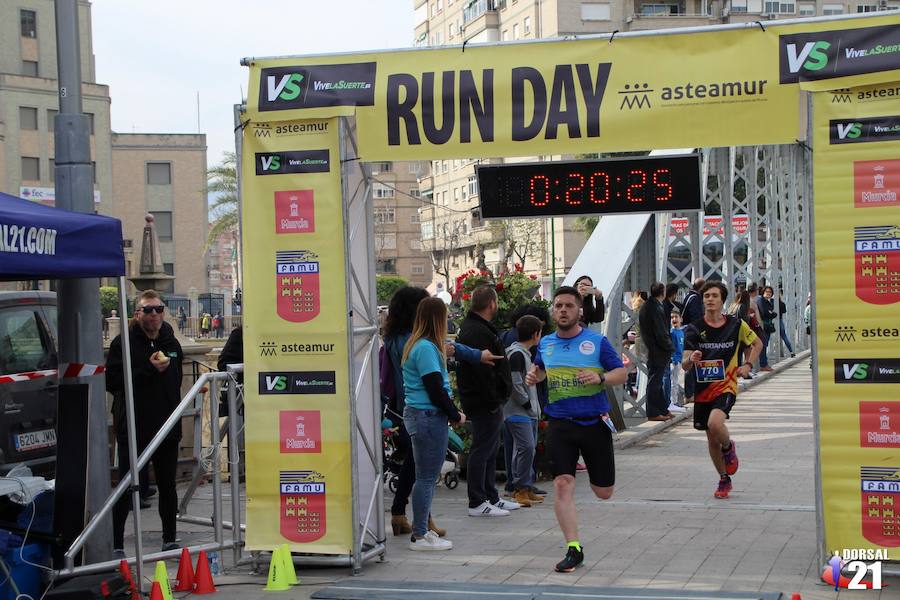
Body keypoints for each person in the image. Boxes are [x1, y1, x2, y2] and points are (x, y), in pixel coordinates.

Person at [383, 287, 501, 536]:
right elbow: (434, 381)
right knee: (421, 470)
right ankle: (419, 523)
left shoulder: (401, 337)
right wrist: (453, 412)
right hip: (420, 408)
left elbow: (448, 347)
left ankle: (404, 514)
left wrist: (476, 355)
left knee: (415, 466)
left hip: (409, 407)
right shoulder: (417, 343)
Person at [525, 286, 627, 573]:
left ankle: (597, 488)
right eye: (558, 306)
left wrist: (600, 376)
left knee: (603, 491)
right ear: (552, 310)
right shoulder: (545, 344)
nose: (563, 310)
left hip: (594, 423)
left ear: (580, 310)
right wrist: (535, 375)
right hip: (560, 423)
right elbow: (540, 369)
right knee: (562, 483)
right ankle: (574, 547)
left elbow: (621, 373)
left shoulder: (596, 342)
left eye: (569, 306)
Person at [106, 290, 184, 558]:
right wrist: (149, 370)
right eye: (148, 310)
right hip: (135, 424)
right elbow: (113, 382)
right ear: (137, 314)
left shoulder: (171, 341)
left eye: (159, 309)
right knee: (127, 485)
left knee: (167, 484)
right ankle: (116, 543)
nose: (154, 315)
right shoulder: (123, 343)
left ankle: (170, 538)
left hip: (167, 423)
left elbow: (177, 376)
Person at [681, 281, 763, 500]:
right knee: (711, 439)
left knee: (715, 423)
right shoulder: (694, 328)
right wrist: (692, 358)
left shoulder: (736, 325)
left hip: (726, 385)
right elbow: (684, 364)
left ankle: (729, 447)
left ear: (722, 300)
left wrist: (747, 365)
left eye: (714, 295)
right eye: (706, 295)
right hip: (702, 388)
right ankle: (724, 478)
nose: (709, 299)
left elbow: (757, 344)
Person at [401, 297, 466, 551]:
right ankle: (420, 534)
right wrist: (454, 414)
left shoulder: (415, 345)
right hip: (428, 416)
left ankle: (421, 531)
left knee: (424, 477)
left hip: (422, 415)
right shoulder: (426, 348)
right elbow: (435, 388)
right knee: (427, 478)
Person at [457, 285, 519, 517]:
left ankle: (490, 496)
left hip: (488, 399)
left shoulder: (478, 328)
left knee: (490, 448)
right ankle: (477, 500)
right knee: (482, 449)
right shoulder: (476, 331)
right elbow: (479, 372)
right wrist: (493, 399)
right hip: (484, 401)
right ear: (492, 303)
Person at [503, 315, 544, 508]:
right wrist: (527, 404)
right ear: (536, 334)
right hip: (518, 411)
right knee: (525, 448)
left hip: (527, 411)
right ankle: (519, 489)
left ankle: (525, 487)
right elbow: (516, 384)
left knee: (527, 449)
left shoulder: (523, 354)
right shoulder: (517, 354)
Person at [638, 282, 674, 421]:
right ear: (663, 292)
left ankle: (663, 410)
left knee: (657, 382)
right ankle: (653, 412)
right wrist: (670, 346)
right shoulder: (654, 308)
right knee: (655, 382)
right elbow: (661, 332)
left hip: (654, 349)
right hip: (657, 350)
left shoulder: (650, 305)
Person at [680, 278, 705, 403]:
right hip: (692, 332)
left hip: (689, 330)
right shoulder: (695, 299)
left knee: (692, 362)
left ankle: (692, 392)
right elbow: (696, 317)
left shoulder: (689, 296)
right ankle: (689, 394)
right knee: (691, 362)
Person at [748, 283, 772, 372]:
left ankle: (757, 365)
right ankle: (762, 364)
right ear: (755, 291)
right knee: (761, 344)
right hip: (754, 327)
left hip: (755, 326)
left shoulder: (754, 300)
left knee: (757, 345)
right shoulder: (753, 301)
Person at [667, 309, 686, 412]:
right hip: (674, 360)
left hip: (679, 360)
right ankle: (672, 402)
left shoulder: (681, 332)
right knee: (673, 382)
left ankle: (674, 401)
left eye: (676, 317)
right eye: (672, 317)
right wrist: (673, 358)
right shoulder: (672, 332)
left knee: (676, 381)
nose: (674, 319)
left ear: (681, 319)